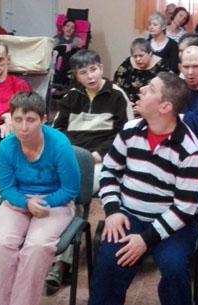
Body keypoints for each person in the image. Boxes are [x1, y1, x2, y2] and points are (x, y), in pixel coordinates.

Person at [89, 72, 198, 305]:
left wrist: (145, 239)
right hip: (129, 215)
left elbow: (184, 209)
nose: (141, 90)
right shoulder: (130, 130)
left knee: (174, 268)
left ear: (165, 107)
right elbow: (109, 172)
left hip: (173, 224)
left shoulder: (190, 150)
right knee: (109, 263)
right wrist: (112, 211)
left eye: (151, 89)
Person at [46, 49, 134, 294]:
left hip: (101, 161)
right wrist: (67, 154)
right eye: (83, 72)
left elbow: (126, 135)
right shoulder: (71, 97)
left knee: (75, 193)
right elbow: (56, 131)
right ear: (76, 76)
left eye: (93, 69)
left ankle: (61, 262)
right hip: (71, 158)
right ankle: (48, 248)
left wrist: (100, 153)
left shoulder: (117, 96)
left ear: (101, 68)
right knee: (50, 191)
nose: (90, 76)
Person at [0, 92, 80, 305]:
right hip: (18, 199)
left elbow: (70, 189)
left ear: (44, 120)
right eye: (18, 120)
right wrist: (26, 203)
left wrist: (44, 203)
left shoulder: (59, 144)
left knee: (37, 247)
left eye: (31, 120)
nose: (23, 127)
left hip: (55, 201)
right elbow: (7, 189)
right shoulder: (6, 146)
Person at [113, 38, 171, 105]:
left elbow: (166, 90)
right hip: (128, 104)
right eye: (135, 56)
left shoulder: (162, 66)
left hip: (152, 106)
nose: (138, 59)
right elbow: (117, 85)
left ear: (150, 53)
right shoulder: (128, 64)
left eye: (141, 55)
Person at [53, 18, 85, 86]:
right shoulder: (58, 37)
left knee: (68, 52)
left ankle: (59, 81)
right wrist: (64, 47)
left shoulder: (76, 37)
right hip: (58, 54)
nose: (69, 29)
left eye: (72, 27)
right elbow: (53, 46)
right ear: (63, 28)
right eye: (67, 26)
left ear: (74, 30)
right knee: (58, 49)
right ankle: (58, 79)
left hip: (70, 55)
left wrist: (69, 46)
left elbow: (75, 44)